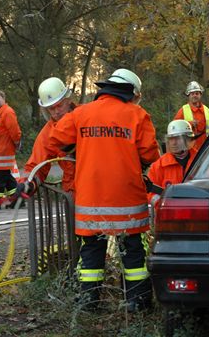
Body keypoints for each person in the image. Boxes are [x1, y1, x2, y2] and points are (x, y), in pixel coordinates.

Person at [49, 68, 160, 312]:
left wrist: (77, 148)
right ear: (130, 92)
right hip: (127, 198)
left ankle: (89, 303)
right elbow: (150, 154)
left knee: (91, 252)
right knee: (132, 252)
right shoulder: (138, 115)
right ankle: (137, 302)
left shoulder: (81, 113)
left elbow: (56, 139)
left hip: (91, 199)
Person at [15, 77, 76, 196]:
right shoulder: (48, 134)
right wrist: (27, 183)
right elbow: (36, 165)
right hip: (75, 193)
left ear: (68, 100)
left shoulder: (87, 119)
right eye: (51, 108)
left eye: (59, 106)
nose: (56, 112)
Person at [147, 119, 197, 207]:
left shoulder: (200, 161)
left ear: (187, 139)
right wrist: (165, 205)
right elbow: (150, 192)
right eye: (170, 139)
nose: (173, 143)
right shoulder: (159, 166)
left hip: (196, 212)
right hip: (169, 216)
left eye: (177, 138)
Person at [173, 81, 209, 149]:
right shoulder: (183, 110)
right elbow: (174, 127)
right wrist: (189, 124)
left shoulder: (207, 110)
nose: (195, 95)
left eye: (197, 93)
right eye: (192, 94)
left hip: (205, 147)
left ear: (200, 95)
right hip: (188, 148)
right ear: (189, 96)